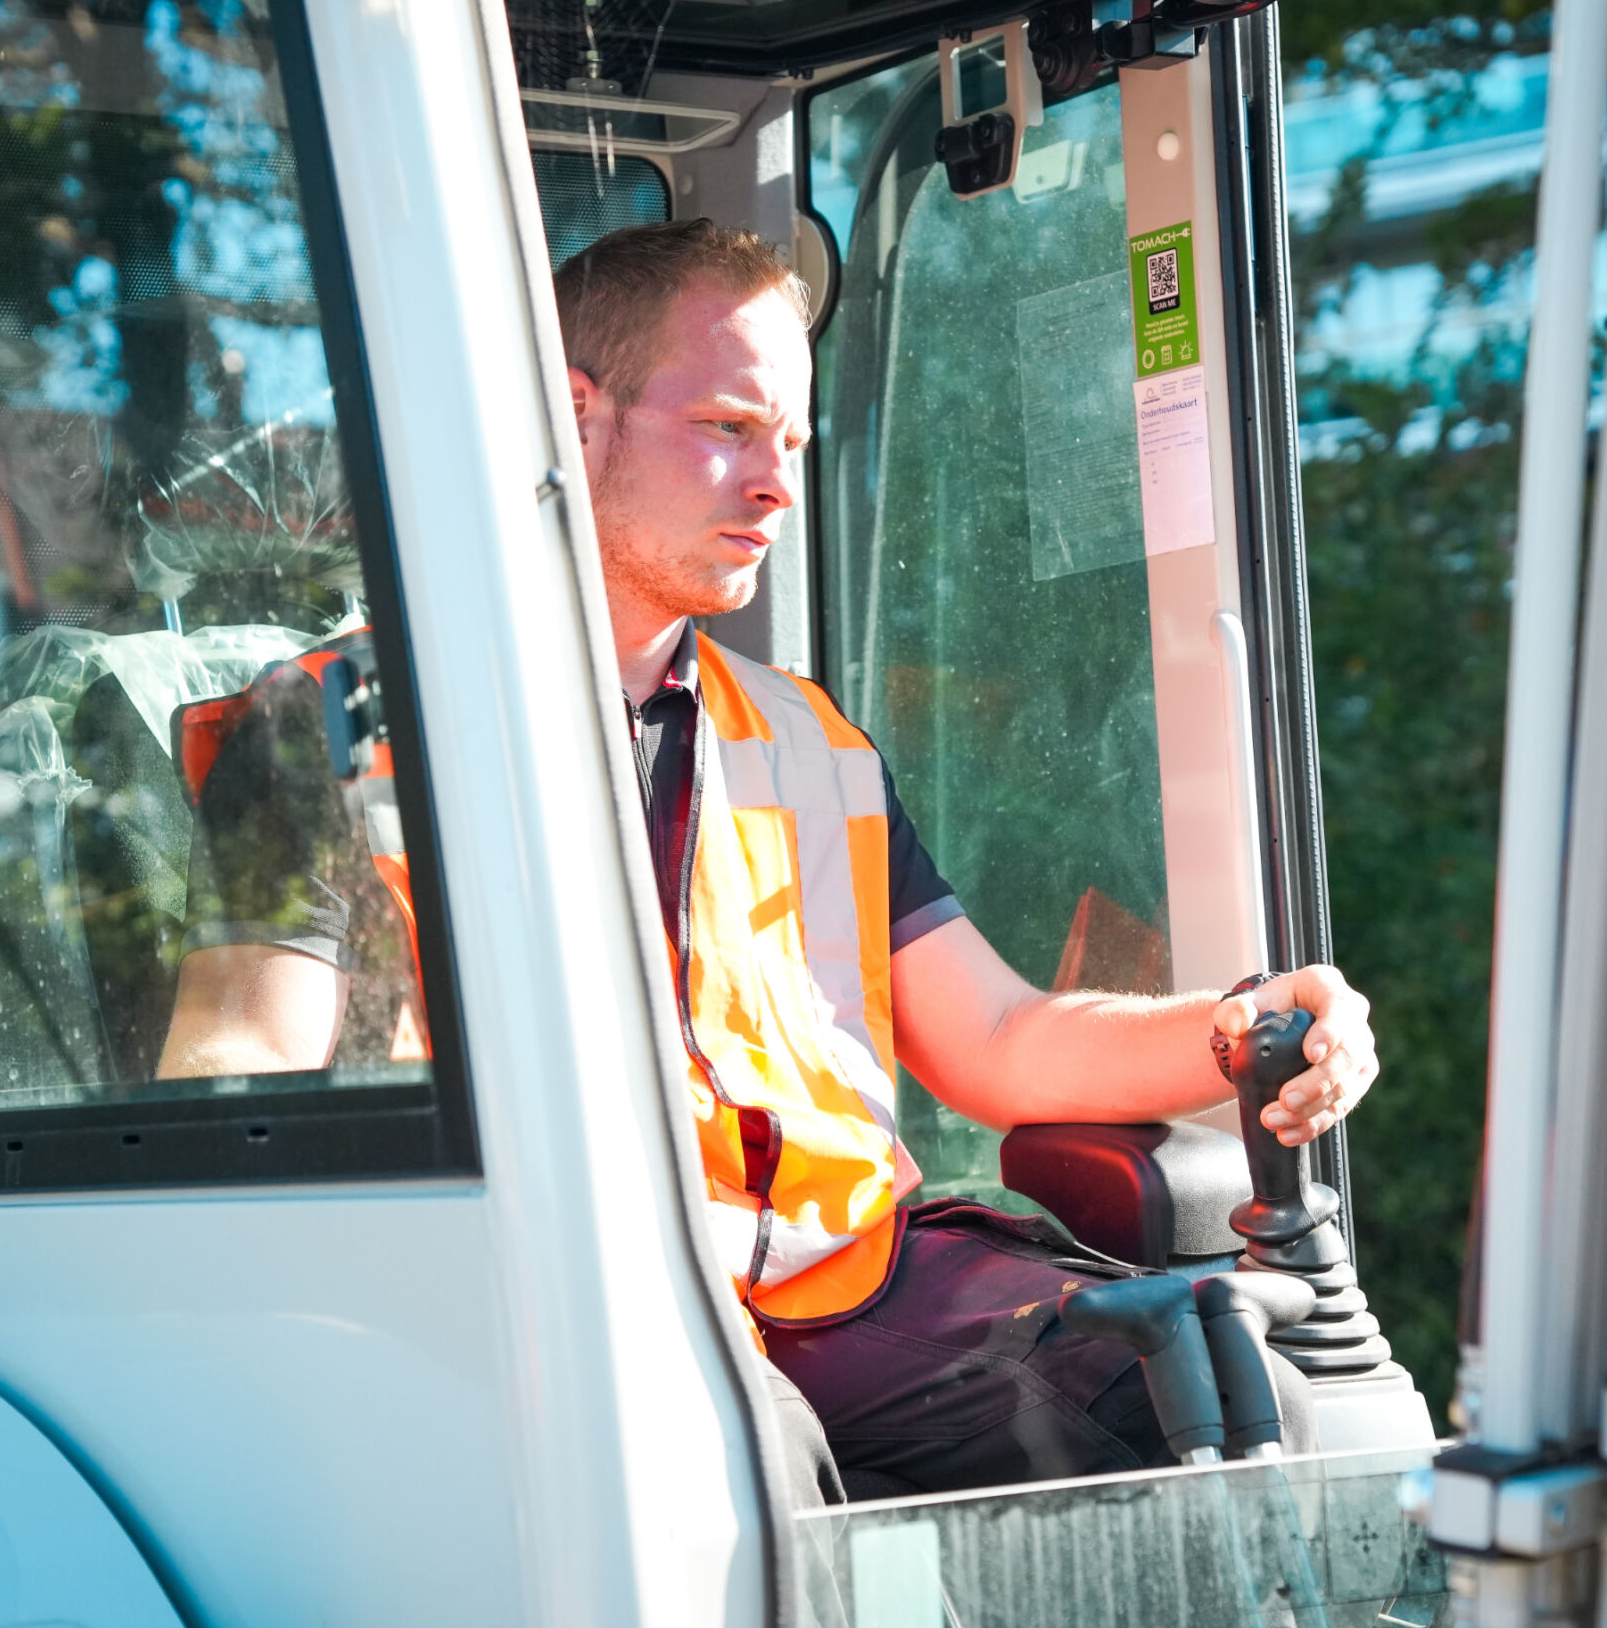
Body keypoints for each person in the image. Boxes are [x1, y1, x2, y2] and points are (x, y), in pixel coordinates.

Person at [555, 219, 1379, 1504]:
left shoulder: (806, 743)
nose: (775, 485)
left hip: (846, 1289)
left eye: (792, 443)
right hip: (578, 1306)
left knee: (1200, 1381)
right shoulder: (355, 735)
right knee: (741, 1458)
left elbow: (997, 1035)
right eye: (728, 426)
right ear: (572, 415)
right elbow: (267, 1100)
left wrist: (1243, 1026)